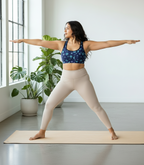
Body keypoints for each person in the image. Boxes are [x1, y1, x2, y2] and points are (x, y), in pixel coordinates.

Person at [10, 21, 140, 141]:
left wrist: (125, 41)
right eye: (65, 28)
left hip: (82, 79)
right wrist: (22, 40)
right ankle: (41, 132)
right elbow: (39, 42)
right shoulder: (61, 44)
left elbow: (107, 43)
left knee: (95, 106)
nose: (65, 30)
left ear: (75, 29)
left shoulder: (86, 45)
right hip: (65, 80)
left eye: (67, 28)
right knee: (49, 104)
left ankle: (112, 131)